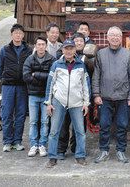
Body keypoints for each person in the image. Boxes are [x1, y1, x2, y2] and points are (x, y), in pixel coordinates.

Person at [92, 26, 130, 164]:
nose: (114, 38)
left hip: (123, 98)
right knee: (104, 125)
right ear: (107, 37)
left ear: (121, 38)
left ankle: (121, 151)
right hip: (104, 97)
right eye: (112, 35)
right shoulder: (100, 54)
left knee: (122, 125)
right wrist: (96, 94)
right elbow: (96, 76)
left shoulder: (128, 54)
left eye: (117, 35)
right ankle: (104, 150)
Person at [44, 39, 90, 168]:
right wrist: (48, 102)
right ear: (62, 50)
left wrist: (86, 103)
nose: (69, 51)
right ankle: (52, 157)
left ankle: (80, 156)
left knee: (80, 131)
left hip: (77, 103)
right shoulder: (56, 64)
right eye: (66, 48)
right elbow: (50, 84)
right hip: (59, 101)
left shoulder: (81, 65)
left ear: (75, 50)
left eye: (71, 48)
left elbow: (86, 85)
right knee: (54, 131)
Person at [57, 32, 95, 158]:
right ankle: (61, 149)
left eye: (81, 41)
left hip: (80, 97)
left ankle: (76, 148)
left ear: (85, 44)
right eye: (76, 41)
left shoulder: (87, 58)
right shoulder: (62, 58)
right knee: (63, 124)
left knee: (79, 126)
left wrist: (87, 100)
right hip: (64, 98)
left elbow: (90, 79)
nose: (79, 43)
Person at [0, 23, 32, 152]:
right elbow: (0, 68)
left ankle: (17, 141)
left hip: (22, 86)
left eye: (20, 33)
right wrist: (5, 80)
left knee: (21, 114)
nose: (18, 35)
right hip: (8, 86)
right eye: (15, 33)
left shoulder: (28, 50)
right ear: (11, 35)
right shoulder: (4, 49)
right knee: (6, 114)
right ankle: (7, 141)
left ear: (23, 35)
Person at [23, 36, 55, 157]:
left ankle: (42, 144)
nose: (41, 47)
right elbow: (26, 77)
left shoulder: (52, 59)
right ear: (35, 46)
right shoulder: (29, 59)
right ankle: (33, 145)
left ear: (46, 46)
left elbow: (52, 77)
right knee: (33, 121)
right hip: (33, 95)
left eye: (43, 44)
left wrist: (36, 74)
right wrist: (42, 79)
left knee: (45, 122)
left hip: (46, 96)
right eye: (39, 44)